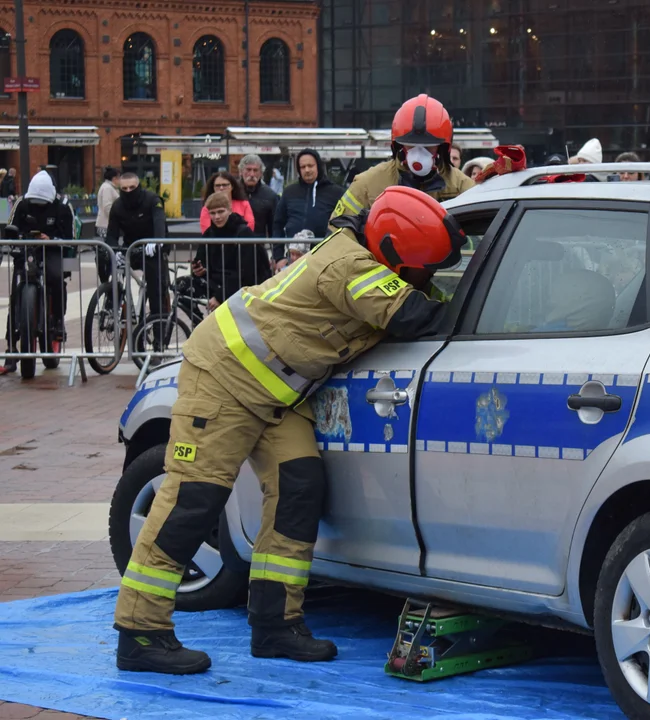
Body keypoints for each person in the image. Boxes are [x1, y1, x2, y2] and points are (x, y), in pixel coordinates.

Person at [112, 186, 466, 675]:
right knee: (192, 500)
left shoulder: (369, 257)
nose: (425, 277)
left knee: (299, 486)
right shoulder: (352, 268)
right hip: (224, 377)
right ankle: (140, 632)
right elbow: (414, 316)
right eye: (422, 268)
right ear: (394, 255)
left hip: (278, 394)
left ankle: (276, 625)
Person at [332, 94, 474, 221]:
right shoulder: (367, 185)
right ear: (398, 145)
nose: (419, 153)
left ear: (442, 148)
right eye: (411, 145)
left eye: (428, 146)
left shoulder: (461, 186)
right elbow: (338, 232)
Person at [1, 171, 75, 374]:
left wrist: (51, 240)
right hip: (26, 250)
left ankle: (58, 322)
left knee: (56, 277)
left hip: (52, 250)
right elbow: (10, 228)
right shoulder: (22, 204)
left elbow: (70, 237)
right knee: (16, 291)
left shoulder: (62, 207)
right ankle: (10, 347)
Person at [105, 173, 169, 324]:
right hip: (131, 247)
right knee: (105, 259)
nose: (128, 191)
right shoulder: (118, 206)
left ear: (139, 186)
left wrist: (156, 241)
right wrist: (114, 252)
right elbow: (111, 234)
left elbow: (159, 222)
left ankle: (158, 336)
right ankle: (110, 301)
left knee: (155, 290)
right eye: (124, 188)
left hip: (154, 247)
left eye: (132, 187)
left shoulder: (152, 200)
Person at [194, 191, 272, 312]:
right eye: (212, 213)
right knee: (181, 286)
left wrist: (220, 296)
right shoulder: (209, 234)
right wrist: (198, 269)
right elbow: (200, 259)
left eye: (220, 212)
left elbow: (245, 273)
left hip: (243, 286)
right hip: (217, 282)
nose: (217, 217)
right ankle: (196, 321)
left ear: (229, 210)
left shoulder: (243, 233)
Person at [272, 149, 345, 271]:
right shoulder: (289, 192)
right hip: (294, 260)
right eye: (303, 167)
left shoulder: (336, 192)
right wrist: (279, 257)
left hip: (326, 260)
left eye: (310, 165)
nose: (307, 170)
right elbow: (278, 224)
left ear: (318, 166)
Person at [238, 154, 280, 238]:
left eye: (255, 170)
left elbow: (275, 228)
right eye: (248, 170)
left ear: (261, 173)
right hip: (233, 245)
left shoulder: (270, 196)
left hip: (259, 245)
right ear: (241, 172)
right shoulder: (231, 192)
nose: (252, 174)